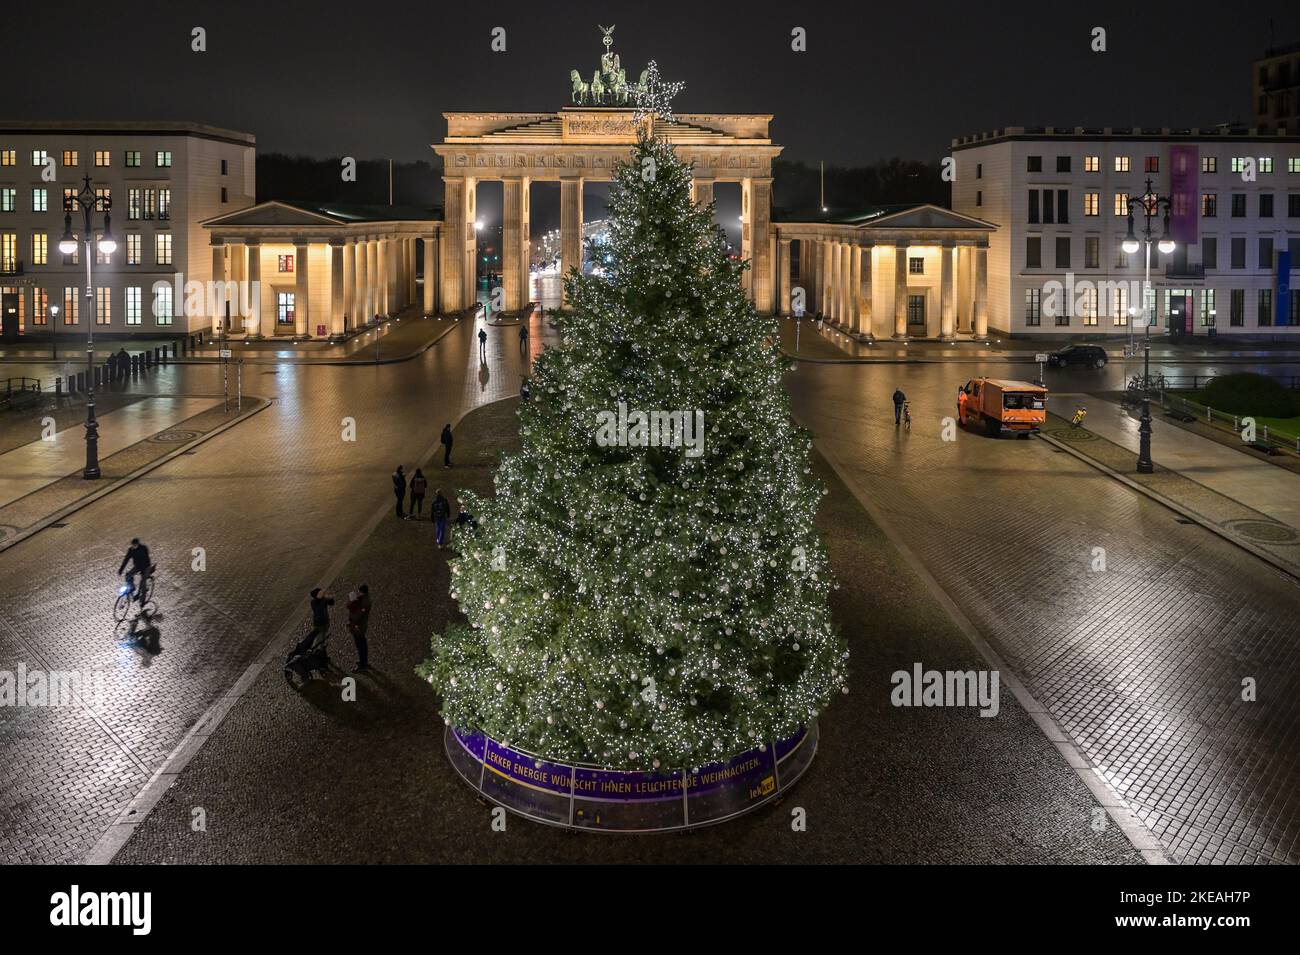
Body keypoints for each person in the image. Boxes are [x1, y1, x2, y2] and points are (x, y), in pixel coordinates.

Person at [292, 587, 334, 657]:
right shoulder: (314, 602)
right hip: (319, 624)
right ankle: (315, 654)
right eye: (320, 592)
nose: (322, 593)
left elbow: (331, 603)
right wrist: (323, 600)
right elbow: (319, 610)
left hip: (325, 623)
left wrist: (330, 598)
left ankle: (322, 654)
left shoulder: (323, 599)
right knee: (318, 640)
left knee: (323, 640)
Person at [346, 584, 373, 672]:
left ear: (361, 591)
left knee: (360, 645)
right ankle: (364, 662)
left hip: (359, 626)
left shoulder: (364, 602)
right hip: (361, 625)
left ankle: (362, 664)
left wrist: (351, 618)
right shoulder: (365, 599)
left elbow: (358, 615)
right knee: (362, 644)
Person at [117, 538, 153, 604]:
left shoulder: (143, 548)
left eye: (135, 545)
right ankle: (132, 587)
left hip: (146, 566)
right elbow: (126, 560)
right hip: (138, 566)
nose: (133, 546)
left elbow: (146, 559)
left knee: (143, 582)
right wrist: (121, 570)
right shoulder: (131, 550)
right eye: (133, 545)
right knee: (128, 576)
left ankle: (143, 601)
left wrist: (143, 571)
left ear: (138, 544)